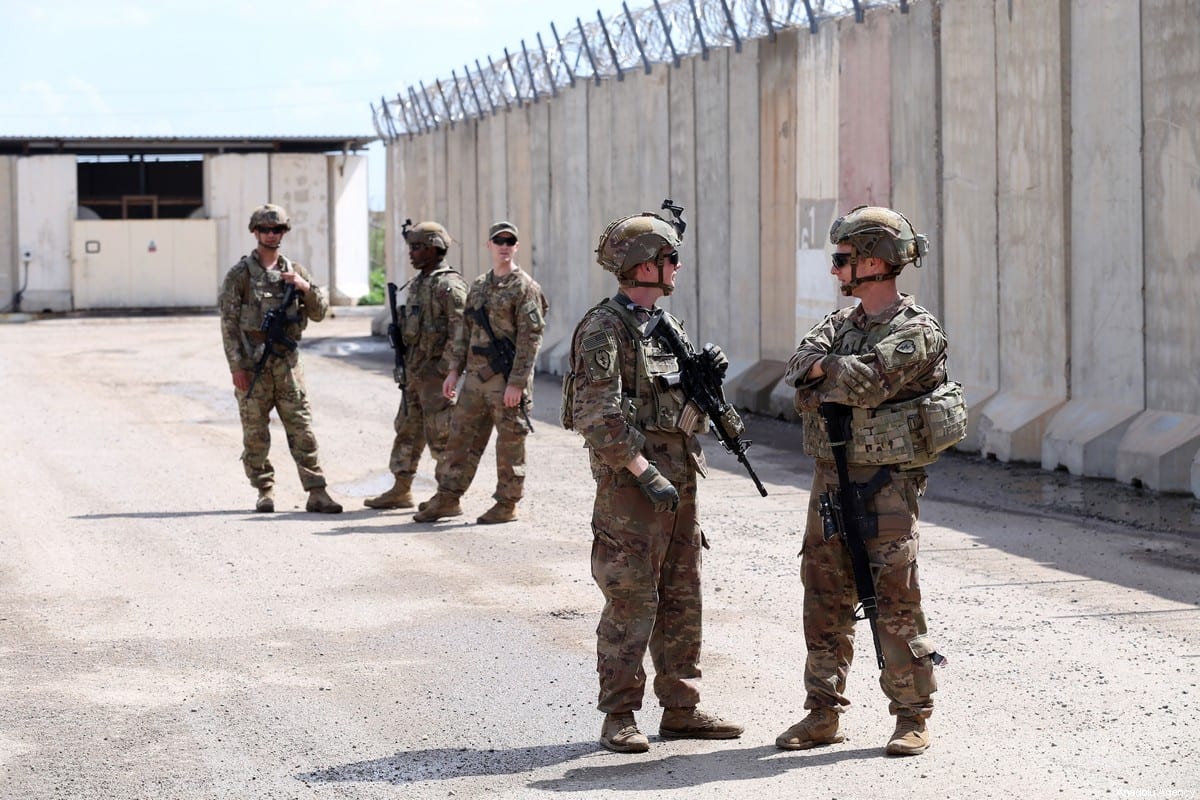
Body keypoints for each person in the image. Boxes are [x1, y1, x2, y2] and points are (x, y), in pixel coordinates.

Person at [778, 205, 963, 756]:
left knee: (893, 595)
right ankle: (821, 712)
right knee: (823, 590)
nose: (835, 271)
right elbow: (796, 371)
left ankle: (912, 714)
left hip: (886, 482)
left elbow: (866, 386)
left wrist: (825, 375)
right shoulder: (842, 325)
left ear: (875, 262)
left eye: (842, 260)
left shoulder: (916, 332)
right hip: (832, 476)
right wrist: (827, 372)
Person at [562, 209, 743, 754]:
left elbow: (677, 404)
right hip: (631, 492)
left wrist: (704, 380)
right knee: (632, 600)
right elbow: (598, 417)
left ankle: (681, 708)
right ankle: (618, 714)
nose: (676, 267)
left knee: (682, 597)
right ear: (642, 265)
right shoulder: (604, 328)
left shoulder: (664, 326)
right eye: (668, 259)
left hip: (680, 486)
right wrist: (645, 473)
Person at [413, 222, 548, 525]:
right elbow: (464, 332)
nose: (504, 246)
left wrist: (516, 384)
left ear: (516, 246)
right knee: (459, 440)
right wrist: (453, 371)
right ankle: (448, 497)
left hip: (505, 383)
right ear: (489, 245)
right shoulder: (479, 285)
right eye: (498, 241)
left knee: (509, 444)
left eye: (509, 241)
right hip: (474, 381)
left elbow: (530, 341)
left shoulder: (525, 287)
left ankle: (506, 504)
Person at [218, 203, 343, 514]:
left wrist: (304, 288)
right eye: (265, 230)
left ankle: (317, 492)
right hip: (253, 367)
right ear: (254, 232)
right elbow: (229, 325)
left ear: (284, 232)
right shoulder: (240, 276)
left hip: (287, 367)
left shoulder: (295, 272)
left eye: (277, 230)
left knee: (302, 429)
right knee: (255, 434)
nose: (271, 235)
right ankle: (264, 490)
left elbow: (319, 313)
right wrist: (237, 368)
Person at [363, 221, 468, 510]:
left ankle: (448, 496)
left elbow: (462, 331)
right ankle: (401, 488)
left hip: (435, 377)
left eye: (417, 247)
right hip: (414, 373)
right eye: (410, 247)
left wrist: (446, 370)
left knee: (442, 436)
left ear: (435, 248)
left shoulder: (449, 285)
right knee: (407, 431)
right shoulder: (420, 283)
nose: (412, 253)